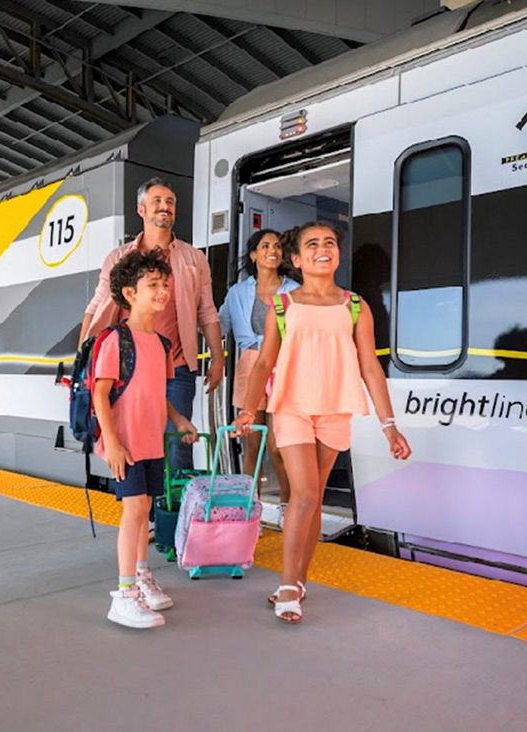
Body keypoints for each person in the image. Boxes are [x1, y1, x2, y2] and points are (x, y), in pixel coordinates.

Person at [233, 221, 412, 624]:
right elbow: (264, 362)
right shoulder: (283, 306)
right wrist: (249, 409)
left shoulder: (355, 306)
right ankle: (286, 585)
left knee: (311, 503)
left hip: (335, 409)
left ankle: (298, 581)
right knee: (306, 495)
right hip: (292, 408)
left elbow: (370, 366)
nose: (322, 248)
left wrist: (389, 425)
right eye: (311, 244)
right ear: (296, 259)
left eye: (329, 242)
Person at [80, 177, 223, 473]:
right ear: (141, 210)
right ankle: (141, 511)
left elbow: (207, 311)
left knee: (177, 446)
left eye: (170, 202)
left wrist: (217, 358)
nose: (165, 207)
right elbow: (96, 308)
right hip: (129, 369)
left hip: (178, 367)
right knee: (135, 445)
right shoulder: (119, 258)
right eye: (157, 201)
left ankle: (171, 519)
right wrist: (84, 356)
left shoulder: (194, 259)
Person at [94, 250, 198, 629]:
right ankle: (123, 596)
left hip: (151, 442)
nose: (163, 291)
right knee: (135, 511)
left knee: (144, 512)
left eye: (165, 285)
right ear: (129, 293)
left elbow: (158, 393)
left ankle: (140, 576)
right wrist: (113, 442)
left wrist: (179, 419)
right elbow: (100, 394)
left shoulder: (161, 343)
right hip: (126, 443)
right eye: (152, 285)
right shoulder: (116, 340)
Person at [219, 229, 298, 524]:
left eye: (277, 246)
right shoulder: (239, 292)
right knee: (252, 442)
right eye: (265, 246)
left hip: (282, 365)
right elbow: (220, 323)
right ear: (253, 255)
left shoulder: (293, 290)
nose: (272, 251)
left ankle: (288, 510)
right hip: (250, 365)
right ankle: (250, 510)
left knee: (278, 445)